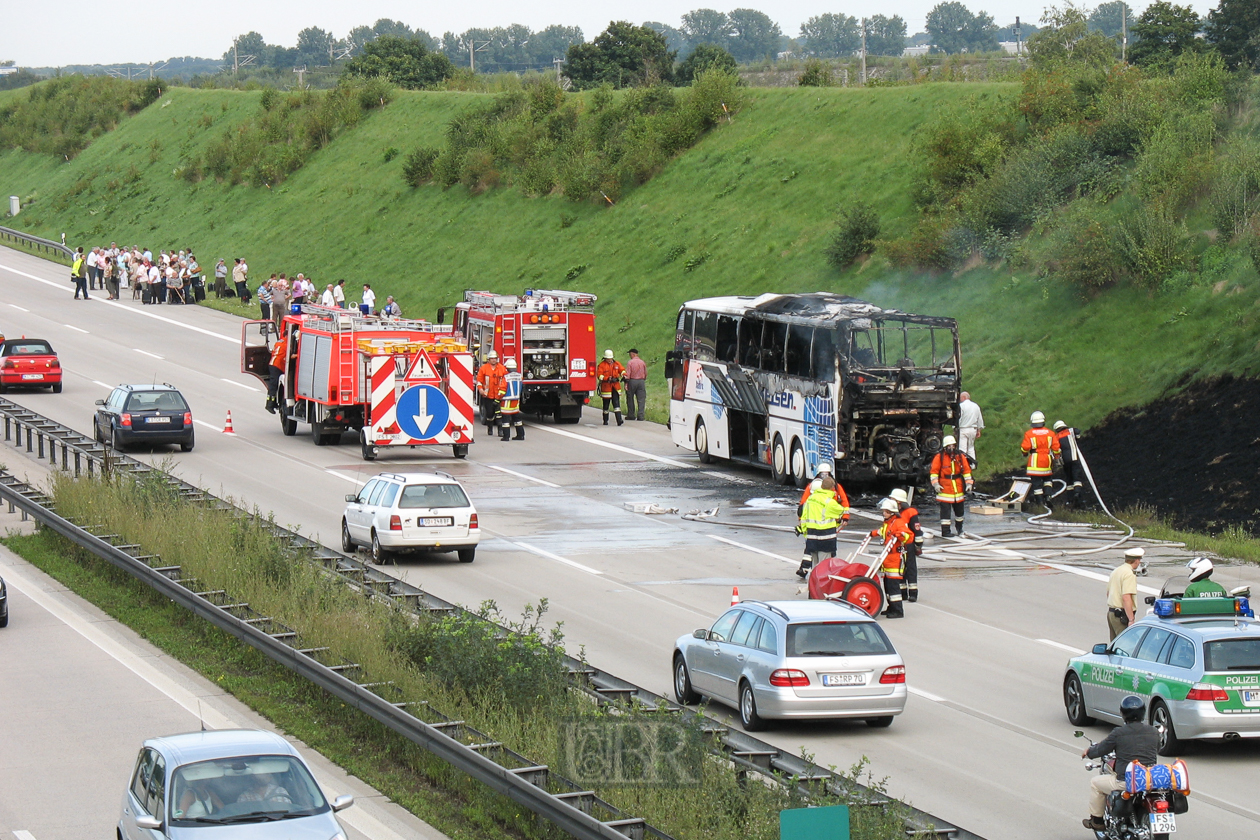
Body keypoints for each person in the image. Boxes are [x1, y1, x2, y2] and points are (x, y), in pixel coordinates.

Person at [1082, 695, 1159, 832]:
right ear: (1143, 712)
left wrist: (1088, 752)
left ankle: (1097, 821)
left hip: (1127, 781)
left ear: (1123, 713)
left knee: (1095, 783)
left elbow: (1102, 749)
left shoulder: (1119, 733)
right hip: (1149, 780)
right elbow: (1156, 749)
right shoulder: (1153, 732)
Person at [796, 476, 849, 579]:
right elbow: (841, 512)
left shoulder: (810, 499)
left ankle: (813, 588)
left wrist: (805, 532)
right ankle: (821, 589)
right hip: (826, 537)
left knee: (815, 566)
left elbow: (803, 516)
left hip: (812, 537)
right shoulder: (830, 502)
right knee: (824, 566)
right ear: (832, 488)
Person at [871, 498, 912, 618]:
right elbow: (883, 532)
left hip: (895, 559)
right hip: (887, 559)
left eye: (886, 511)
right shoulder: (887, 523)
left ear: (893, 512)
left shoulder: (898, 522)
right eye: (884, 511)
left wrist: (900, 535)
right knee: (887, 585)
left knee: (894, 587)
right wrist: (872, 533)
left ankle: (898, 610)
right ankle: (891, 607)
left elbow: (908, 536)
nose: (884, 513)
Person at [930, 435, 973, 537]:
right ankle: (946, 531)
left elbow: (966, 471)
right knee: (945, 513)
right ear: (945, 447)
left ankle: (960, 529)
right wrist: (936, 484)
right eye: (949, 446)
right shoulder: (939, 457)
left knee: (960, 513)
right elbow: (934, 472)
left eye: (953, 446)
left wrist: (968, 483)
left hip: (958, 489)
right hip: (944, 489)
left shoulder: (960, 457)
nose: (951, 448)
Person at [890, 488, 924, 603]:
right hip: (897, 545)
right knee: (900, 568)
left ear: (899, 502)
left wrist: (918, 545)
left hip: (908, 544)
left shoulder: (910, 512)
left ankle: (913, 593)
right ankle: (903, 592)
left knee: (910, 568)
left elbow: (917, 529)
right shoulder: (892, 513)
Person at [1022, 411, 1060, 509]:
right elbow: (1056, 448)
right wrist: (1056, 457)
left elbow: (1025, 447)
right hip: (1047, 460)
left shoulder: (1029, 434)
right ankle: (1048, 497)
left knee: (1036, 483)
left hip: (1035, 460)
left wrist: (1024, 453)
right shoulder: (1051, 433)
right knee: (1048, 480)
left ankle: (1040, 504)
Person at [1106, 547, 1144, 640]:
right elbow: (1126, 597)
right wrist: (1131, 619)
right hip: (1121, 617)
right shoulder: (1129, 574)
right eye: (1139, 560)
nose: (1139, 563)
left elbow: (1108, 593)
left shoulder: (1116, 571)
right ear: (1136, 560)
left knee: (1114, 643)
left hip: (1112, 613)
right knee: (1124, 644)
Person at [475, 350, 507, 435]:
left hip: (499, 395)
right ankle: (490, 428)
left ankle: (500, 430)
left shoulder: (502, 368)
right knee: (489, 413)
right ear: (488, 359)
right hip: (487, 395)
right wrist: (480, 389)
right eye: (492, 358)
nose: (493, 360)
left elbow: (505, 380)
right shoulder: (484, 368)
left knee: (499, 414)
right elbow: (479, 381)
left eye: (495, 358)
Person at [1053, 420, 1084, 506]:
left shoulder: (1056, 437)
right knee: (1077, 477)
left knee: (1069, 479)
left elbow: (1056, 450)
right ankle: (1078, 494)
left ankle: (1070, 499)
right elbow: (1078, 434)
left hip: (1065, 461)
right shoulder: (1071, 431)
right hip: (1074, 458)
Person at [596, 349, 625, 426]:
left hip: (615, 387)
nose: (609, 360)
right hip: (606, 388)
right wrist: (607, 378)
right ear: (605, 358)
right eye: (608, 359)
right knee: (606, 406)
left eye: (610, 358)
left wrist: (624, 374)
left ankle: (619, 420)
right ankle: (605, 420)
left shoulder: (616, 364)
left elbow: (622, 370)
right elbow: (599, 375)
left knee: (616, 405)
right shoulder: (601, 365)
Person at [499, 358, 524, 441]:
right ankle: (521, 435)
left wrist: (497, 398)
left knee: (505, 420)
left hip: (506, 401)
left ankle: (506, 436)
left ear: (507, 368)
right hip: (516, 401)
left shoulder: (506, 377)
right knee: (517, 419)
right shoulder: (520, 376)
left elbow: (502, 389)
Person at [957, 391, 984, 468]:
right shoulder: (976, 406)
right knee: (971, 447)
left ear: (964, 397)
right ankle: (972, 465)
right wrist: (979, 430)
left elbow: (959, 418)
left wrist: (955, 428)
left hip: (963, 429)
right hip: (973, 429)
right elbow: (980, 419)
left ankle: (963, 465)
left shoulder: (961, 406)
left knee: (962, 449)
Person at [265, 331, 288, 414]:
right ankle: (269, 405)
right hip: (277, 366)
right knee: (273, 386)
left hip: (273, 364)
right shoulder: (286, 344)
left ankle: (273, 403)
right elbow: (287, 356)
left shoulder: (279, 342)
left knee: (275, 385)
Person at [624, 348, 647, 421]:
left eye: (630, 354)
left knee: (630, 398)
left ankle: (631, 415)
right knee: (641, 399)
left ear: (632, 354)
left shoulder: (630, 362)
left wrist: (626, 382)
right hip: (641, 381)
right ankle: (641, 415)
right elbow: (645, 373)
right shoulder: (642, 362)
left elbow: (628, 374)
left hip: (632, 381)